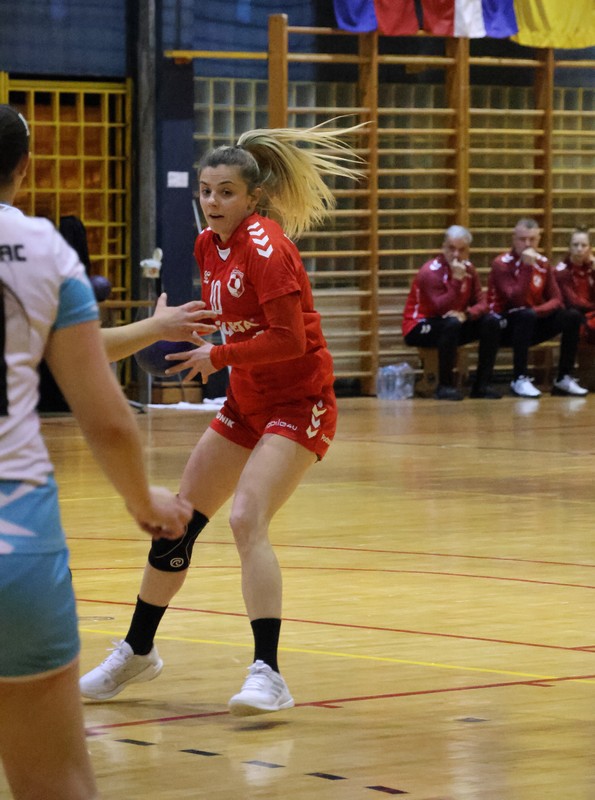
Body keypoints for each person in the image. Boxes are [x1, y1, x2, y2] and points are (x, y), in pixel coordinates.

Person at [79, 122, 365, 716]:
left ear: (253, 197)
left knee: (245, 519)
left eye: (226, 192)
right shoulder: (208, 245)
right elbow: (235, 314)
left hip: (299, 403)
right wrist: (180, 326)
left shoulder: (268, 247)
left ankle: (269, 674)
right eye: (206, 191)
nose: (213, 201)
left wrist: (219, 356)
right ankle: (137, 650)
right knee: (176, 523)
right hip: (246, 403)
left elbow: (288, 339)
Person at [0, 105, 194, 800]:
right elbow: (104, 415)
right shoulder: (41, 249)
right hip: (15, 537)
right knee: (54, 781)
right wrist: (144, 501)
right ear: (24, 169)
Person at [488, 217, 588, 398]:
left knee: (572, 316)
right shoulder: (501, 263)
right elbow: (515, 299)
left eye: (532, 239)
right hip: (505, 326)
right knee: (525, 314)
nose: (527, 244)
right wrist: (527, 268)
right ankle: (519, 378)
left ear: (539, 240)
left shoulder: (543, 263)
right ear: (514, 239)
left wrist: (537, 311)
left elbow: (557, 299)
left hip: (532, 320)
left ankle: (563, 377)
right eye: (522, 239)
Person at [402, 225, 502, 400]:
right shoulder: (430, 272)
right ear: (443, 247)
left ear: (468, 251)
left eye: (461, 250)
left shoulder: (469, 269)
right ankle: (444, 386)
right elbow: (440, 308)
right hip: (420, 325)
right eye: (451, 248)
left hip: (452, 323)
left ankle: (482, 385)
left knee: (490, 322)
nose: (456, 254)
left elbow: (483, 303)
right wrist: (456, 280)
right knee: (451, 324)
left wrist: (467, 314)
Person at [554, 226, 595, 344]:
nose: (579, 249)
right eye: (575, 245)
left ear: (590, 248)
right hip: (574, 316)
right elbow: (573, 303)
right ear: (569, 247)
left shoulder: (592, 268)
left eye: (583, 245)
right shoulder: (562, 271)